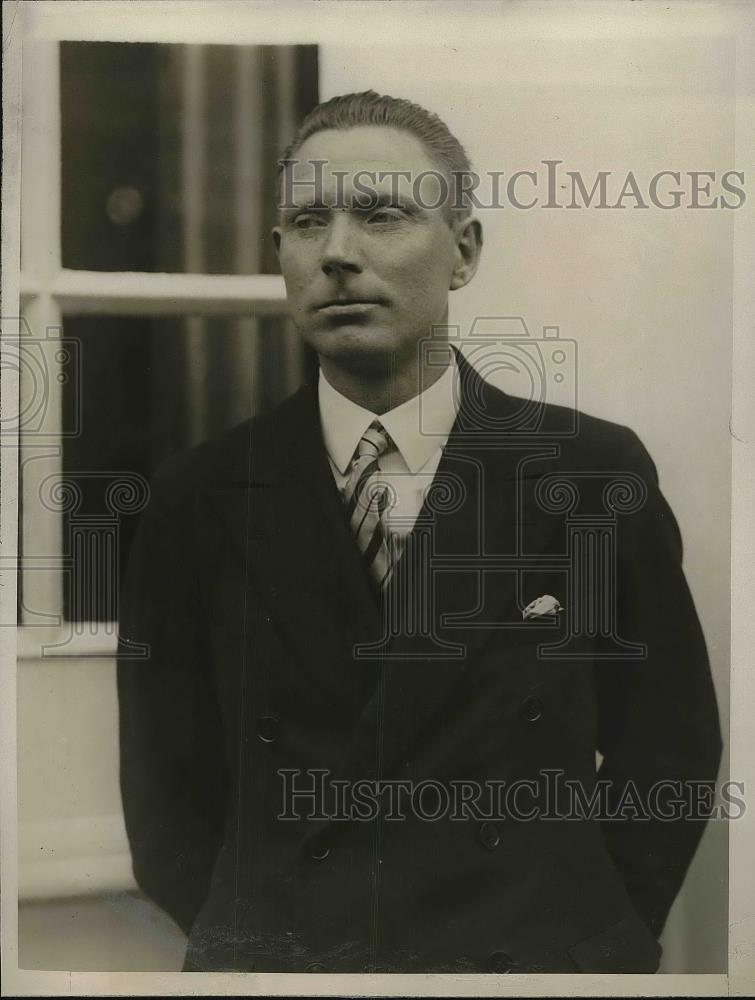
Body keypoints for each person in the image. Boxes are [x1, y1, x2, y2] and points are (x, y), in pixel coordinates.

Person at [116, 91, 722, 974]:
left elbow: (668, 740)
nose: (337, 253)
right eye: (307, 221)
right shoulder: (198, 496)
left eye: (382, 214)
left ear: (463, 252)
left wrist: (600, 940)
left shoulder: (585, 472)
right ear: (278, 252)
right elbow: (164, 795)